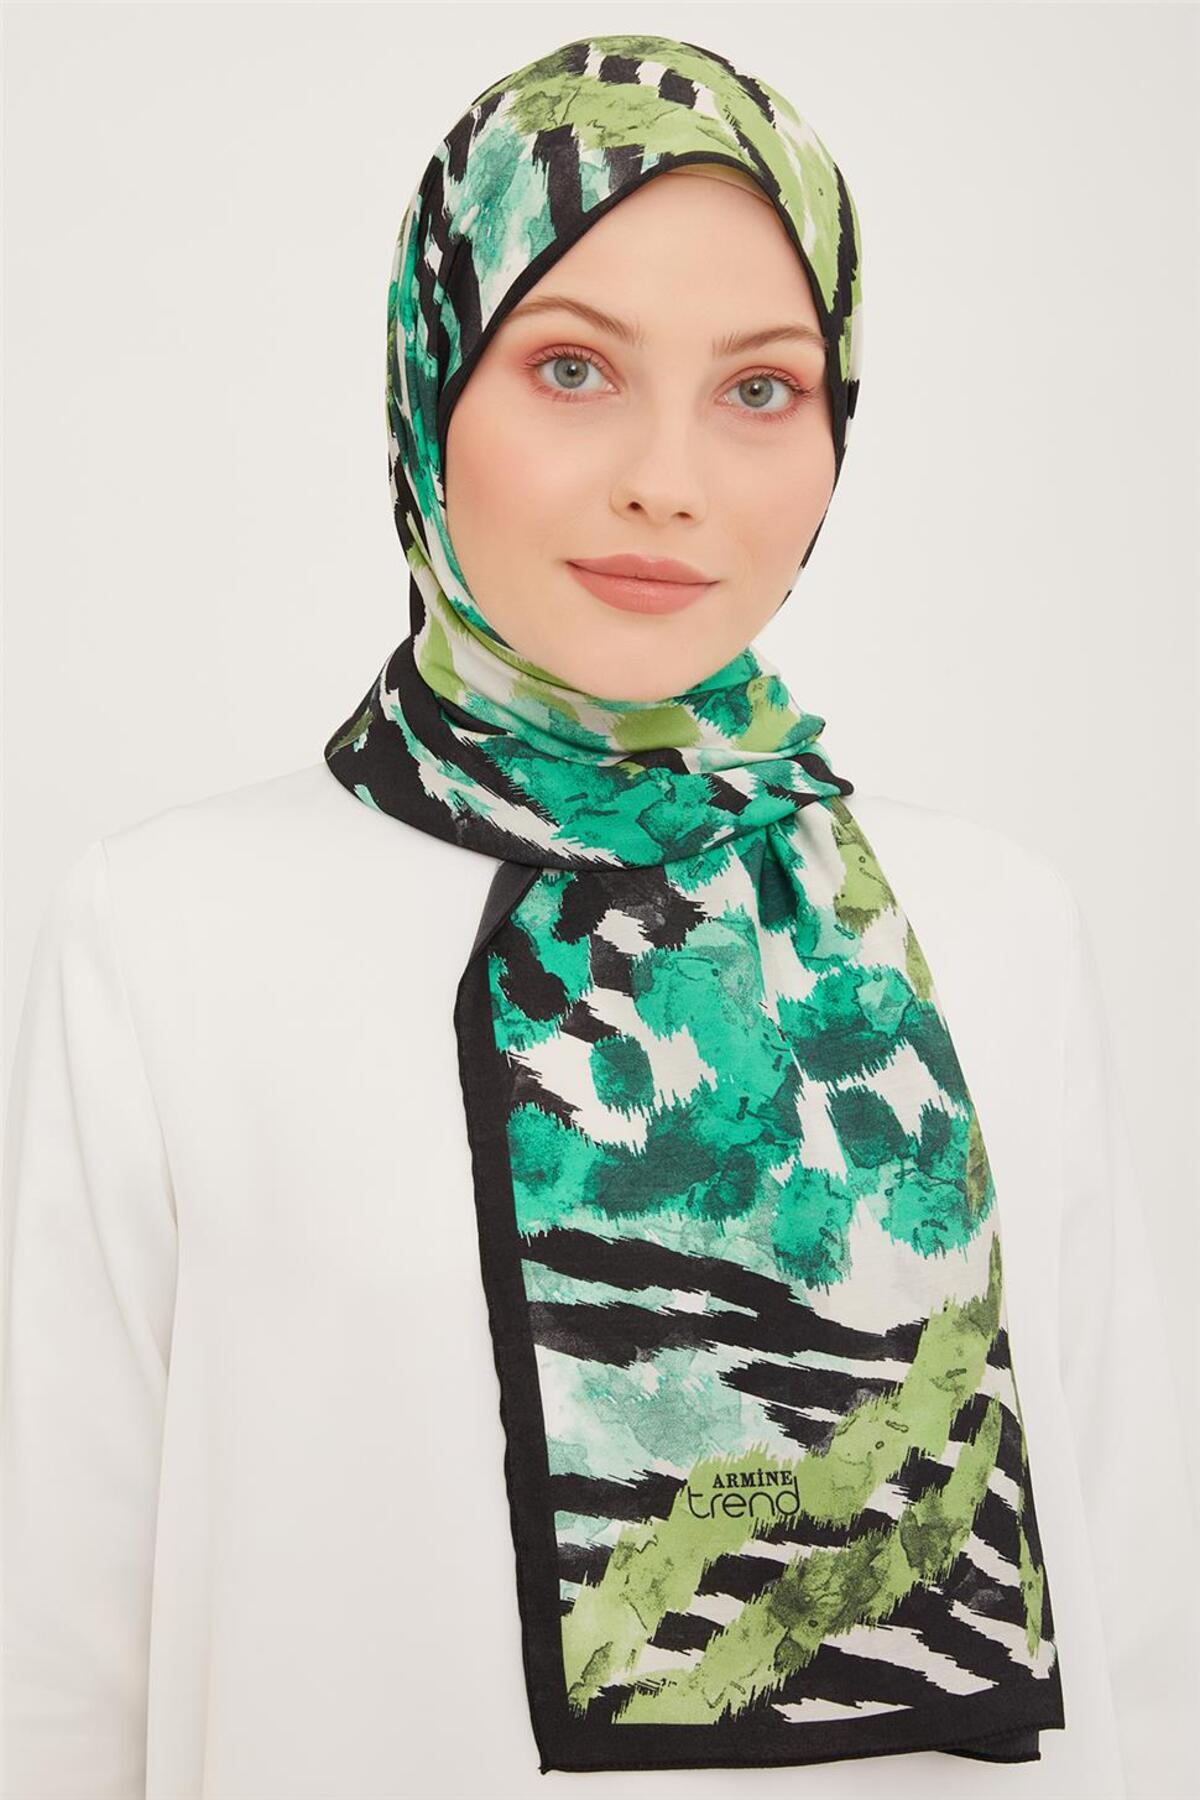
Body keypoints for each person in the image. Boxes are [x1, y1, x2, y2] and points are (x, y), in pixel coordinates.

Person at [1, 32, 1190, 1800]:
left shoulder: (998, 928)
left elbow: (1137, 1623)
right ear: (431, 379)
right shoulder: (169, 935)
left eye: (762, 388)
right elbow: (59, 1654)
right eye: (571, 368)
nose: (669, 479)